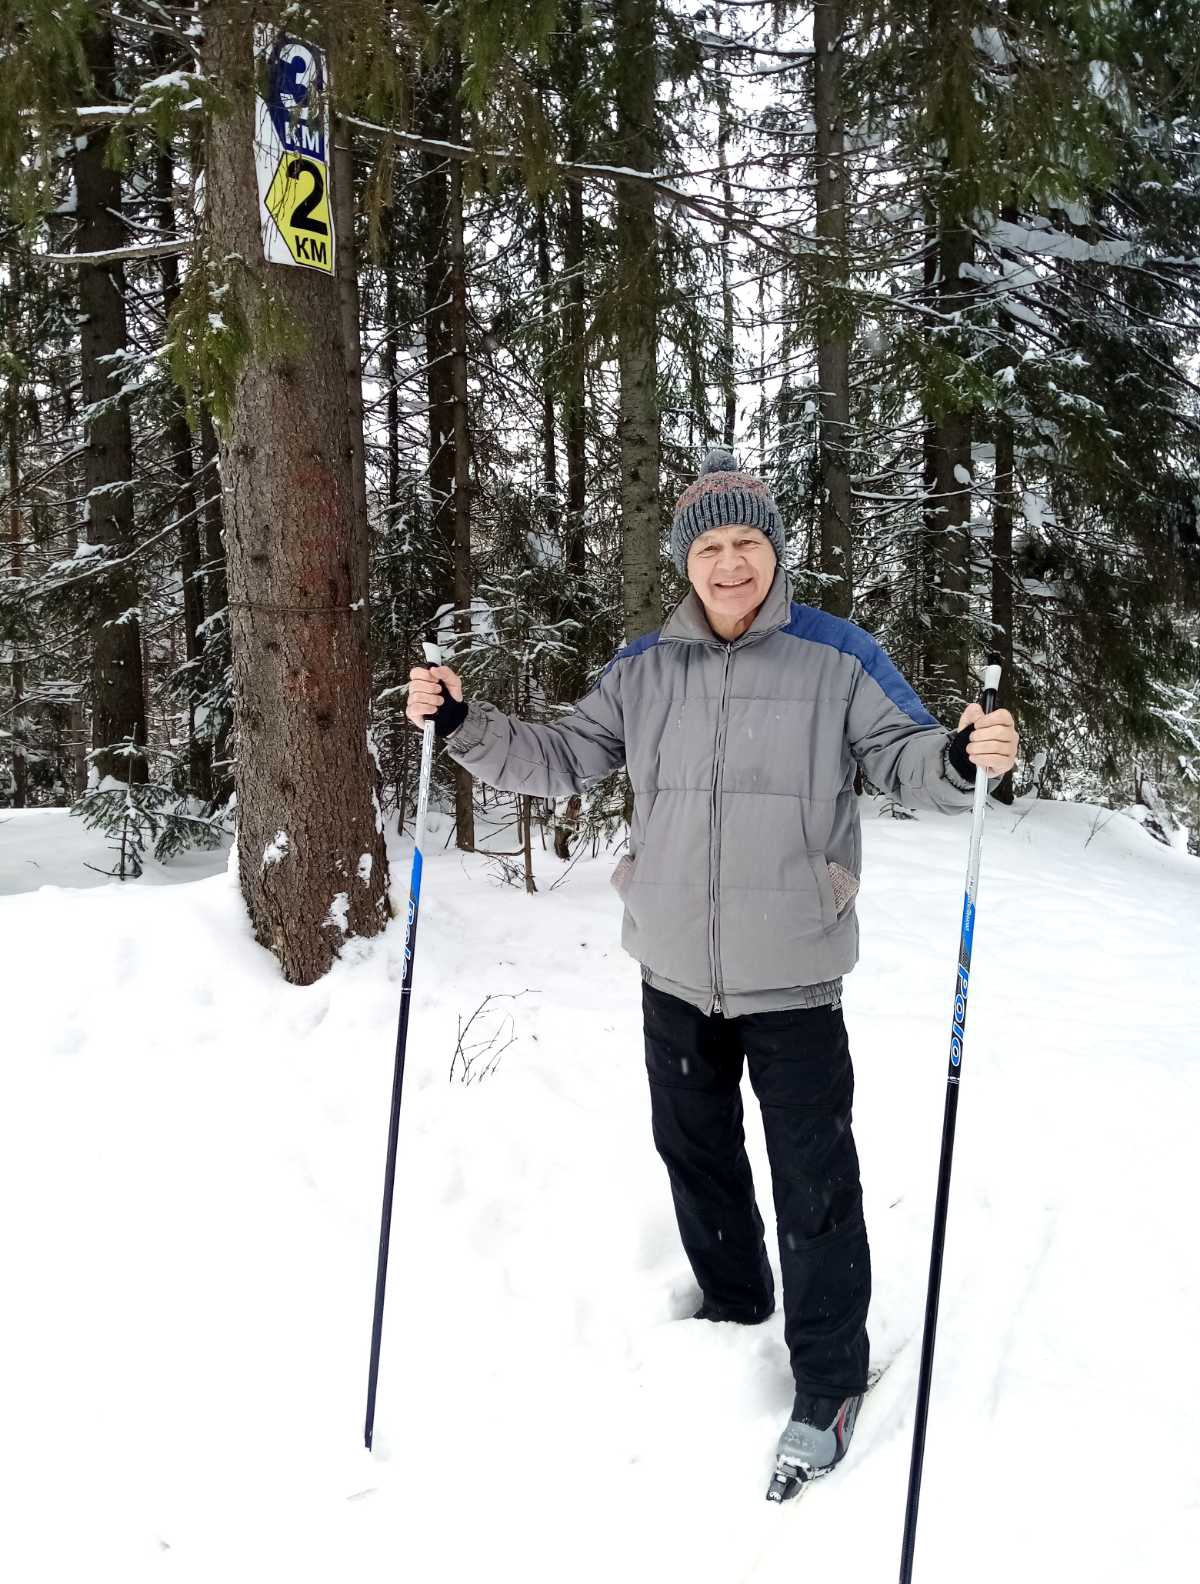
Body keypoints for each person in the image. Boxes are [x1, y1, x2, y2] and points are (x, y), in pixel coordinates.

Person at [406, 446, 1018, 1486]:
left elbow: (906, 756)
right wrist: (463, 725)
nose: (730, 564)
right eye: (710, 548)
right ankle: (735, 1301)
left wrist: (964, 759)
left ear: (773, 551)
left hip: (794, 972)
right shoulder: (645, 667)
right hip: (674, 968)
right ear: (686, 562)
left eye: (747, 543)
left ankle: (828, 1378)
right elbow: (562, 758)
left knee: (814, 1182)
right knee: (695, 1154)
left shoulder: (838, 657)